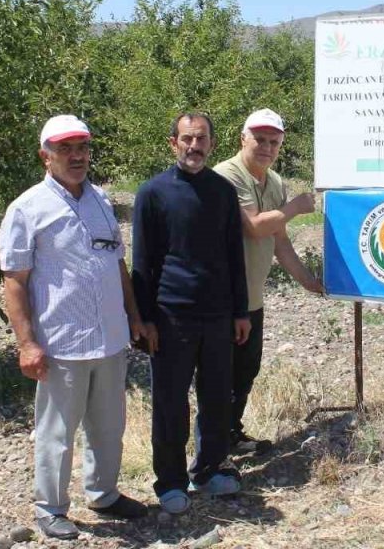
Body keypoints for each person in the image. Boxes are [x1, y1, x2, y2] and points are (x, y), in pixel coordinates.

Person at [0, 115, 155, 540]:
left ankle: (104, 494)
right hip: (60, 342)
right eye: (65, 148)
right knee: (57, 432)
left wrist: (134, 316)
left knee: (108, 426)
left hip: (110, 337)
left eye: (82, 147)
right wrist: (26, 344)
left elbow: (116, 262)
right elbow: (15, 280)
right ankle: (50, 508)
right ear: (44, 156)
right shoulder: (27, 209)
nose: (76, 156)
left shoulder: (101, 200)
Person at [131, 113, 251, 515]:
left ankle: (209, 470)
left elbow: (235, 255)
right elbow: (142, 262)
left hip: (218, 315)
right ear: (173, 143)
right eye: (186, 139)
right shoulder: (153, 192)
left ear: (212, 144)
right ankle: (170, 482)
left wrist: (240, 311)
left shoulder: (222, 191)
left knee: (216, 397)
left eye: (201, 139)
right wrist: (144, 320)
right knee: (170, 403)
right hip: (170, 316)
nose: (194, 146)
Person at [213, 108, 324, 454]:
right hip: (222, 298)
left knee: (245, 372)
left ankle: (230, 436)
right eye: (259, 139)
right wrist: (295, 207)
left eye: (273, 142)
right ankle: (212, 452)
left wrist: (310, 282)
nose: (266, 147)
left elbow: (279, 240)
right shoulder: (226, 176)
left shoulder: (274, 182)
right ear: (242, 138)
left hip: (252, 298)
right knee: (220, 376)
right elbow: (254, 225)